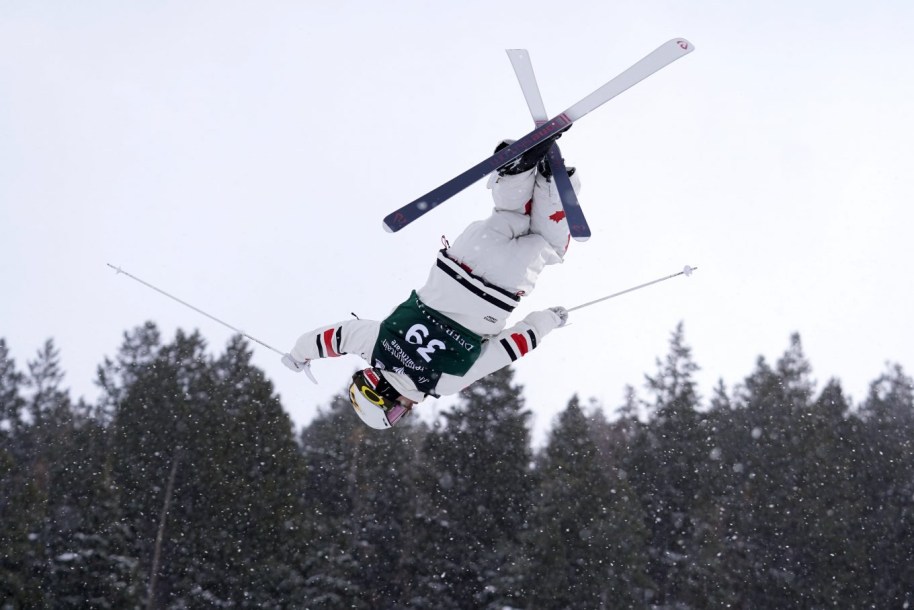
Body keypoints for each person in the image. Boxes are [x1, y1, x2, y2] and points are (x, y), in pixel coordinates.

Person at [282, 134, 581, 429]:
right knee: (508, 214)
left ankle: (552, 187)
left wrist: (548, 320)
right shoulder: (374, 345)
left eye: (399, 414)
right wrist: (299, 355)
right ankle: (516, 173)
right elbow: (336, 337)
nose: (408, 412)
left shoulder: (444, 384)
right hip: (463, 257)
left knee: (548, 245)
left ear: (387, 397)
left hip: (502, 285)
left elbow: (509, 347)